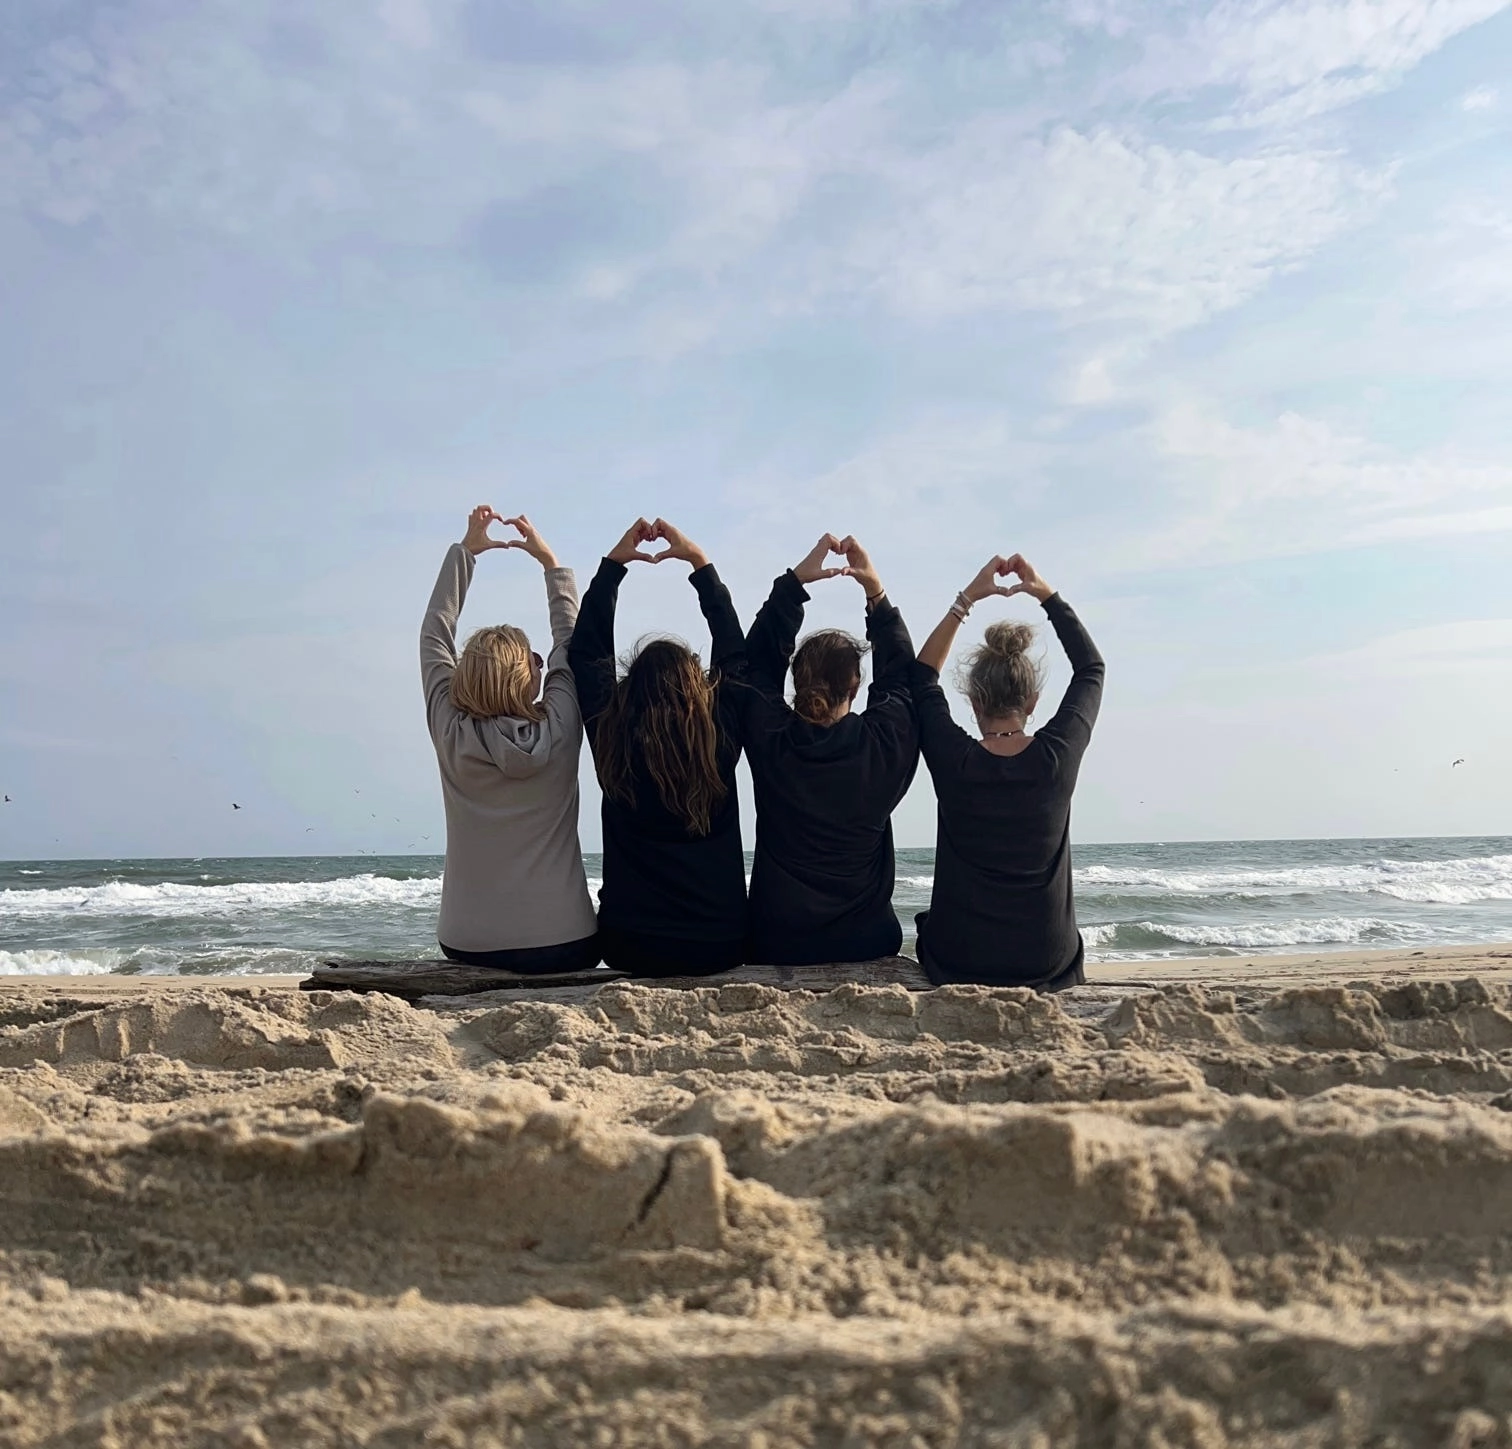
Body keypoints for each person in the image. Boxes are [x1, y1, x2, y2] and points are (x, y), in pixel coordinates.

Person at [908, 553, 1104, 991]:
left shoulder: (954, 758)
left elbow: (920, 679)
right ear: (1032, 703)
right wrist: (1045, 594)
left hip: (961, 959)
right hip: (1046, 960)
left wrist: (967, 599)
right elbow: (1091, 669)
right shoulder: (1057, 756)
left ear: (974, 702)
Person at [420, 506, 599, 972]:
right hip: (564, 940)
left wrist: (467, 552)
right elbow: (571, 641)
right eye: (535, 659)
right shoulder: (560, 726)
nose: (544, 662)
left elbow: (434, 635)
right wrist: (550, 565)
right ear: (528, 677)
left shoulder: (450, 728)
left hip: (467, 942)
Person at [568, 518, 747, 977]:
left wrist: (613, 567)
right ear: (699, 690)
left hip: (630, 945)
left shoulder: (611, 740)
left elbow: (587, 655)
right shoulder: (718, 741)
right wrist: (699, 564)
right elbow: (737, 659)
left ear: (629, 691)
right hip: (720, 943)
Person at [734, 534, 919, 965]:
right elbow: (900, 680)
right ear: (855, 686)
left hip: (777, 940)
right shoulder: (883, 746)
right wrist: (876, 592)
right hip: (866, 941)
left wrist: (795, 585)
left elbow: (757, 666)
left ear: (797, 682)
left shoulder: (772, 740)